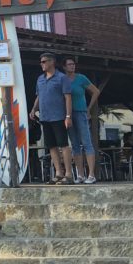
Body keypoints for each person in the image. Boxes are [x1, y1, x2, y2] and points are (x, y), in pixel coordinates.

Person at [30, 53, 74, 184]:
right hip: (45, 117)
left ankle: (69, 174)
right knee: (52, 146)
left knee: (64, 144)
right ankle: (59, 173)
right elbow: (39, 96)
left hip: (59, 116)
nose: (42, 64)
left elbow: (68, 97)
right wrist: (33, 109)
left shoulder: (61, 78)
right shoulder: (40, 79)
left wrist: (68, 116)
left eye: (44, 61)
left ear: (52, 62)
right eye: (41, 62)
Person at [63, 58, 101, 184]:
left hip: (81, 112)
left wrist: (89, 108)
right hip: (68, 114)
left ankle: (91, 174)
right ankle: (80, 174)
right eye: (69, 64)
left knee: (86, 142)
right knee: (74, 144)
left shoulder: (81, 78)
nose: (72, 66)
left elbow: (95, 91)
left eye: (73, 64)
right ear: (64, 67)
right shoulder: (63, 79)